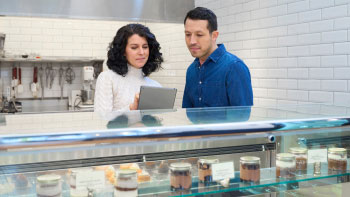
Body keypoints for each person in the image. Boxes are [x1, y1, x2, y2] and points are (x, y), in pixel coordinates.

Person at [182, 7, 253, 108]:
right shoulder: (191, 70)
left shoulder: (234, 67)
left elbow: (242, 116)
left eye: (199, 35)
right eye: (188, 34)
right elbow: (187, 113)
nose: (192, 41)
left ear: (214, 35)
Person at [94, 23, 163, 114]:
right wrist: (131, 108)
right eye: (134, 48)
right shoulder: (107, 78)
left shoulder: (156, 86)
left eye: (145, 47)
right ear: (123, 51)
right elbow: (101, 119)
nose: (141, 52)